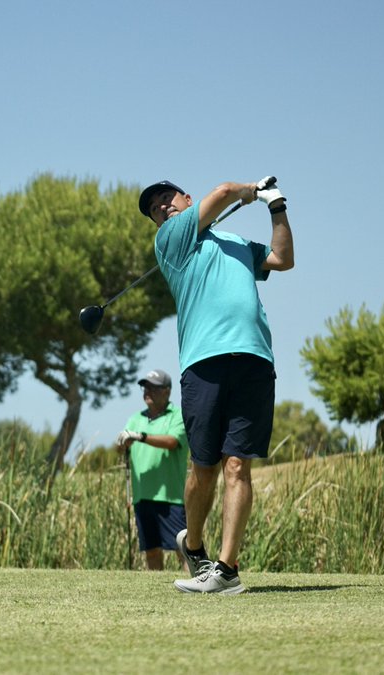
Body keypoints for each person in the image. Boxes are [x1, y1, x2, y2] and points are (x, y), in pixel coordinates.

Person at [136, 176, 294, 594]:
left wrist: (276, 207)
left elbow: (282, 258)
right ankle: (195, 545)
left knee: (238, 465)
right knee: (203, 468)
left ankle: (226, 570)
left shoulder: (237, 244)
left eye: (167, 199)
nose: (162, 208)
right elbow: (225, 191)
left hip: (255, 359)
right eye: (155, 209)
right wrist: (249, 190)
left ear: (187, 198)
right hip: (203, 363)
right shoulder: (172, 241)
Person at [115, 368, 190, 572]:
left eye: (153, 388)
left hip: (170, 496)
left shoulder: (177, 415)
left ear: (166, 391)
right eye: (145, 387)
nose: (147, 392)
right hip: (142, 494)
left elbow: (173, 441)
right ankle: (155, 590)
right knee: (151, 550)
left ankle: (196, 581)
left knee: (183, 547)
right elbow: (121, 448)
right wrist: (122, 444)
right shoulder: (135, 418)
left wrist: (141, 437)